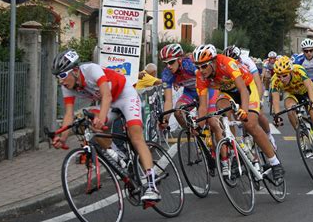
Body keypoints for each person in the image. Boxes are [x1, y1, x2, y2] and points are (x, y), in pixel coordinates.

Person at [51, 49, 160, 202]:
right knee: (87, 123)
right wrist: (62, 137)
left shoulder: (91, 70)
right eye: (57, 77)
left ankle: (152, 186)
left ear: (75, 71)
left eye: (62, 75)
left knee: (135, 136)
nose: (61, 81)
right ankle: (118, 156)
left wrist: (101, 118)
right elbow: (68, 115)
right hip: (108, 104)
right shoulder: (67, 87)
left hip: (124, 95)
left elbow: (107, 95)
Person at [193, 44, 285, 184]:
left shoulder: (227, 63)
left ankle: (275, 162)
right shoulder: (200, 76)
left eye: (204, 66)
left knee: (250, 124)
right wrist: (198, 126)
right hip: (228, 92)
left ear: (213, 62)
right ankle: (236, 150)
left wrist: (244, 110)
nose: (201, 70)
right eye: (198, 66)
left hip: (247, 88)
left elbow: (243, 89)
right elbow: (203, 106)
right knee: (220, 111)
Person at [158, 43, 223, 163]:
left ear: (179, 59)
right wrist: (165, 118)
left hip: (207, 90)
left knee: (212, 122)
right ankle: (195, 135)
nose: (168, 66)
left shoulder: (189, 65)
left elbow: (207, 79)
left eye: (171, 62)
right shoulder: (167, 73)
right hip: (190, 92)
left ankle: (224, 158)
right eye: (165, 63)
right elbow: (168, 101)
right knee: (178, 112)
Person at [271, 56, 313, 164]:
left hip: (306, 92)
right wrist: (277, 115)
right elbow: (275, 99)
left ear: (290, 71)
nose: (282, 79)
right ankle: (302, 136)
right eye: (279, 76)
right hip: (292, 94)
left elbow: (309, 86)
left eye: (284, 75)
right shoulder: (275, 80)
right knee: (290, 110)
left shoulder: (298, 70)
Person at [224, 45, 276, 149]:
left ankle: (269, 135)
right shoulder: (225, 66)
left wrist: (259, 99)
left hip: (251, 88)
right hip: (237, 91)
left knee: (259, 114)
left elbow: (258, 83)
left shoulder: (247, 61)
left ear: (239, 58)